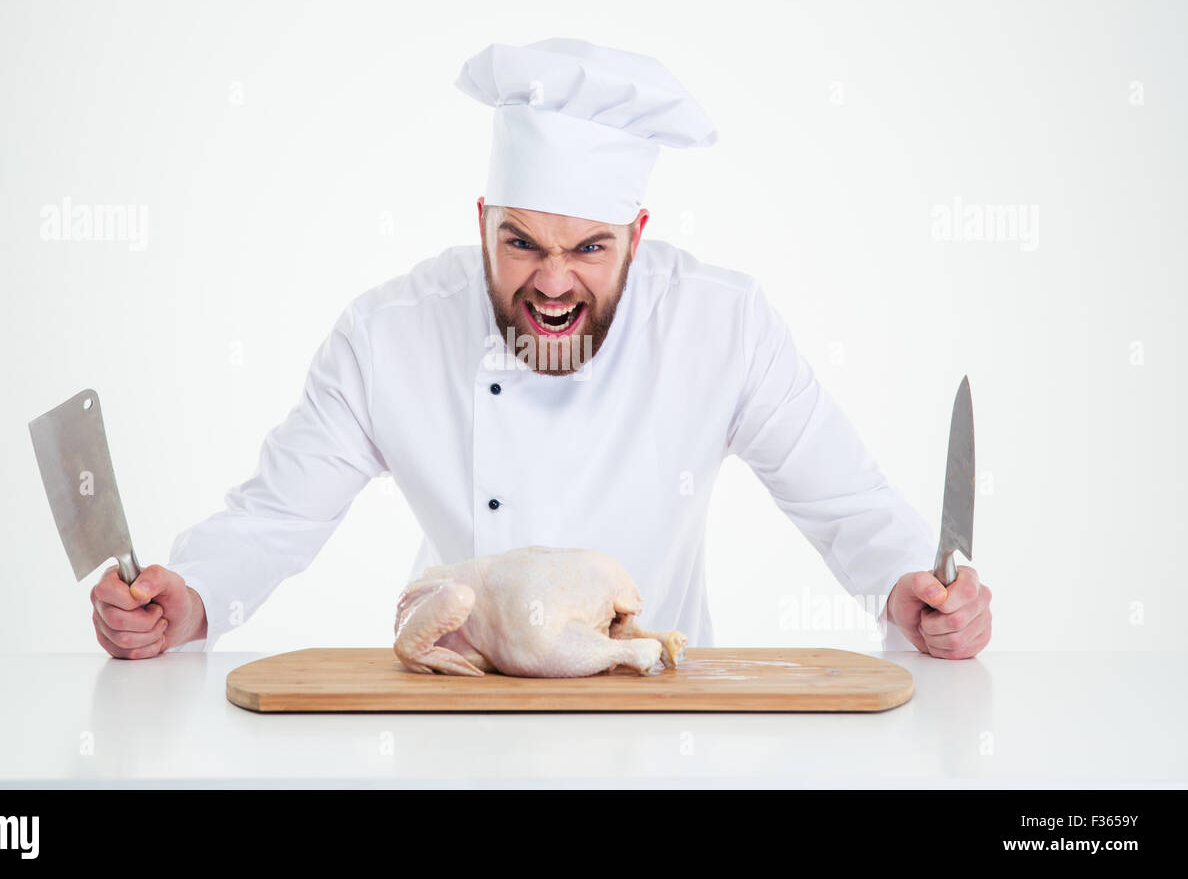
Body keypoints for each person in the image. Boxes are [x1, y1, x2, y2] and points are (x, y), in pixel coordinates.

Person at [90, 38, 992, 662]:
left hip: (662, 706)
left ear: (637, 236)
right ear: (481, 223)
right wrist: (192, 597)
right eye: (522, 243)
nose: (553, 283)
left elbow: (844, 499)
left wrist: (914, 586)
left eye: (589, 249)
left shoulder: (723, 325)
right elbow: (277, 515)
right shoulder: (390, 334)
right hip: (456, 694)